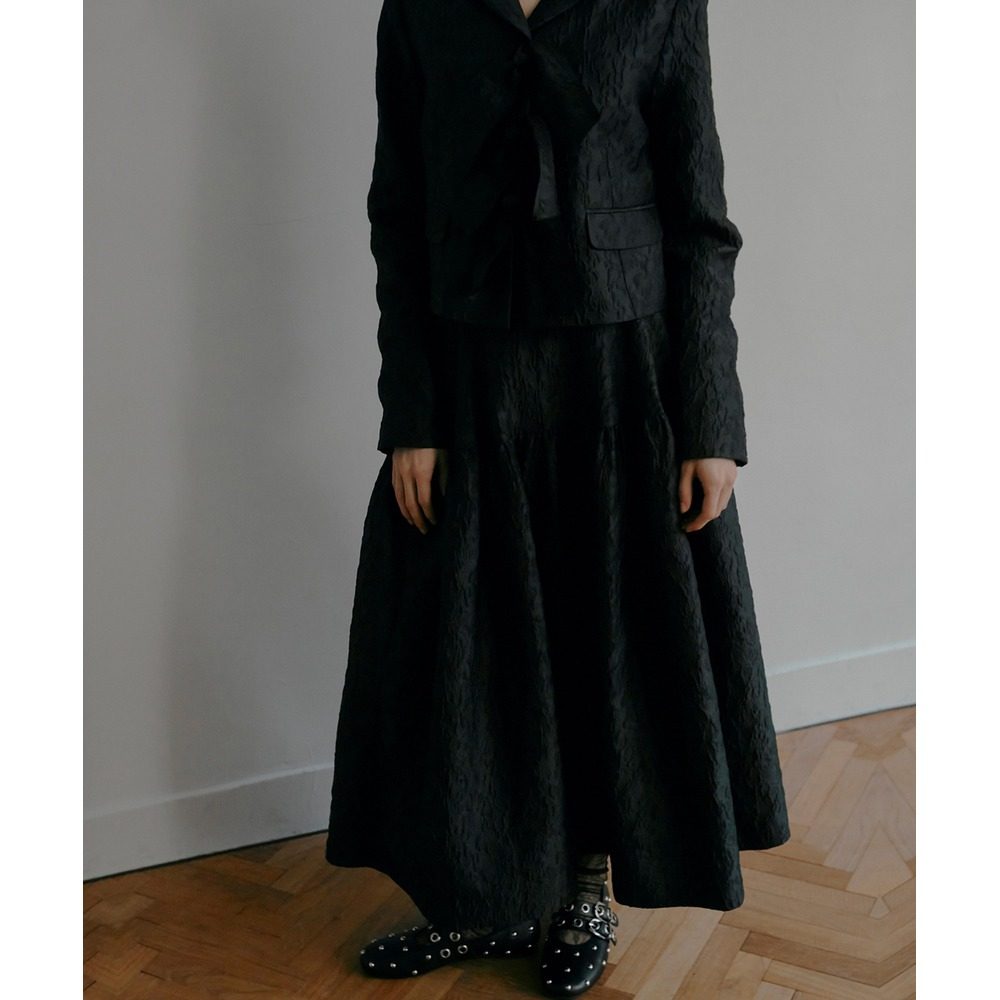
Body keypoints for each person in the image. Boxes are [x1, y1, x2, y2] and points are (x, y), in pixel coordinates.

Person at [324, 0, 791, 995]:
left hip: (620, 381)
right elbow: (398, 211)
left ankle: (583, 891)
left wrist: (710, 419)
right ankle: (485, 895)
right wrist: (412, 413)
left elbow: (699, 218)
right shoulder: (421, 9)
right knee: (467, 647)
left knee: (600, 636)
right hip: (470, 377)